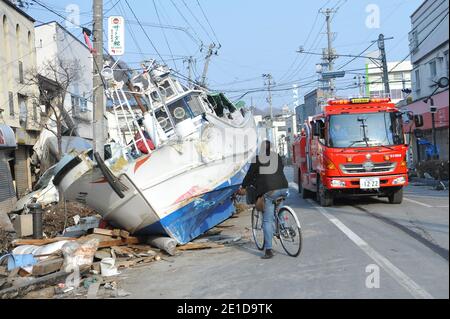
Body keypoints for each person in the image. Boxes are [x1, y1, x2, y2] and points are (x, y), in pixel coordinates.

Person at [240, 140, 289, 259]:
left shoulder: (256, 159)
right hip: (283, 187)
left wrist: (243, 186)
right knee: (279, 206)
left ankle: (268, 250)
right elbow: (280, 169)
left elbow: (249, 176)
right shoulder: (276, 156)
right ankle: (284, 228)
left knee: (267, 220)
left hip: (270, 191)